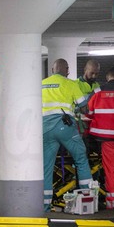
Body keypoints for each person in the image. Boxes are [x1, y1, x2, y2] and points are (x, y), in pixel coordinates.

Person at [42, 59, 93, 212]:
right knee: (81, 158)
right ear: (67, 70)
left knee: (46, 166)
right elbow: (84, 108)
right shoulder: (71, 84)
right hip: (65, 127)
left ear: (52, 69)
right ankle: (87, 198)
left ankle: (45, 205)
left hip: (45, 129)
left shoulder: (41, 84)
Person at [85, 66, 114, 209]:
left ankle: (113, 203)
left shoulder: (96, 92)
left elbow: (88, 114)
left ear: (107, 77)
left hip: (106, 138)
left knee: (110, 170)